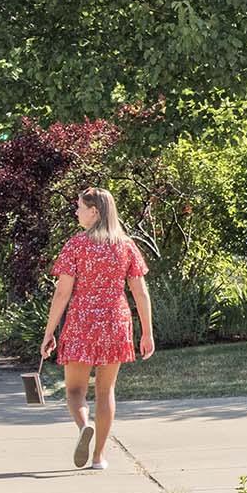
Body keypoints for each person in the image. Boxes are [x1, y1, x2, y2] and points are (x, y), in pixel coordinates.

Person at [42, 187, 154, 470]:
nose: (76, 212)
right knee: (106, 391)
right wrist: (147, 332)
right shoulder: (126, 245)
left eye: (79, 207)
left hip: (82, 320)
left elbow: (62, 293)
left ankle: (83, 427)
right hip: (116, 321)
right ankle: (99, 457)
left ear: (95, 212)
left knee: (75, 391)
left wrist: (49, 332)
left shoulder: (77, 245)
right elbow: (140, 293)